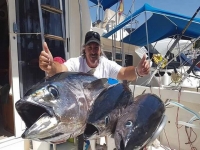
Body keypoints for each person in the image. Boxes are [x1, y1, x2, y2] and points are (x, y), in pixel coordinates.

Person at [39, 31, 150, 81]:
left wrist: (137, 71)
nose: (93, 51)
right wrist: (51, 66)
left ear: (100, 49)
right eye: (89, 47)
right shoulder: (76, 63)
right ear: (84, 49)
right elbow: (61, 69)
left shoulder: (106, 64)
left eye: (96, 48)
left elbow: (124, 73)